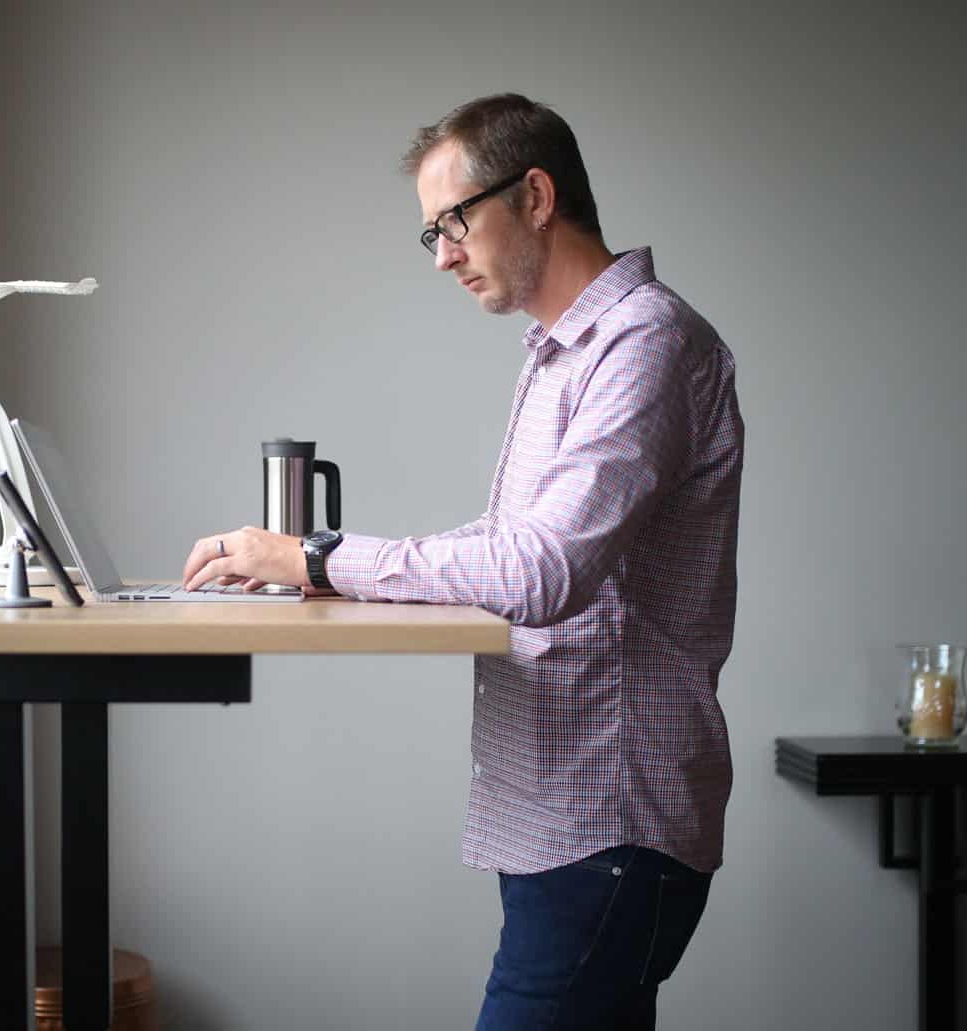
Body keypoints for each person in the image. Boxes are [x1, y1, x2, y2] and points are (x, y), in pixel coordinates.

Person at [179, 93, 743, 1029]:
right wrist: (312, 563)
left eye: (452, 222)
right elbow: (501, 546)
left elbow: (541, 571)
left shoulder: (647, 342)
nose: (441, 254)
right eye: (430, 232)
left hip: (609, 823)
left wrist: (317, 555)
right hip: (560, 820)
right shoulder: (563, 354)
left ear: (533, 195)